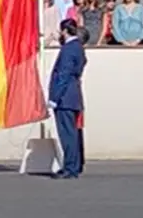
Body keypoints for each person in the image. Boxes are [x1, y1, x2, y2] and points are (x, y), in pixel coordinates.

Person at [47, 19, 87, 179]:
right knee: (74, 133)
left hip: (65, 97)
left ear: (64, 31)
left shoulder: (68, 49)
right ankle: (75, 165)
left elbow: (63, 74)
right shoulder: (78, 48)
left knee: (67, 134)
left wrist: (54, 97)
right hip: (74, 95)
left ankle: (70, 167)